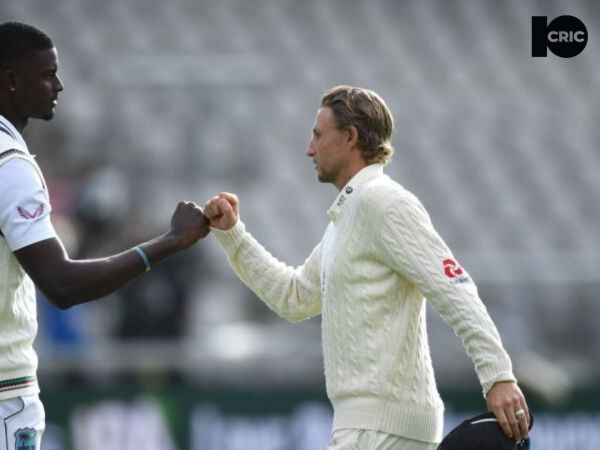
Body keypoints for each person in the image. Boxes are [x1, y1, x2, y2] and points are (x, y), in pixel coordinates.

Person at [0, 21, 209, 450]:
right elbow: (62, 285)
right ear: (12, 81)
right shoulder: (9, 165)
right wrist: (169, 242)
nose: (60, 85)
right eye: (48, 74)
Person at [202, 86, 530, 450]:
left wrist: (497, 375)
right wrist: (233, 235)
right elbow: (293, 297)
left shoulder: (384, 203)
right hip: (370, 429)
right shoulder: (347, 218)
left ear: (350, 136)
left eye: (317, 135)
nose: (309, 149)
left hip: (380, 431)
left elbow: (453, 287)